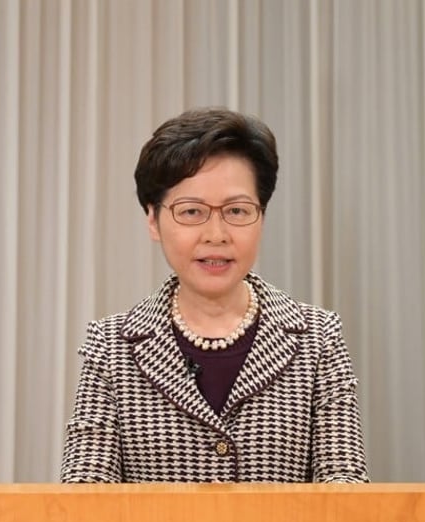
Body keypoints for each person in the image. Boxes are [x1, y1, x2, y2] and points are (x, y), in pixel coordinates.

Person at [60, 107, 368, 483]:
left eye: (237, 210)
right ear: (153, 220)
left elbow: (346, 495)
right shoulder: (110, 348)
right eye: (192, 212)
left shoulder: (318, 339)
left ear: (262, 216)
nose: (216, 234)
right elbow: (84, 506)